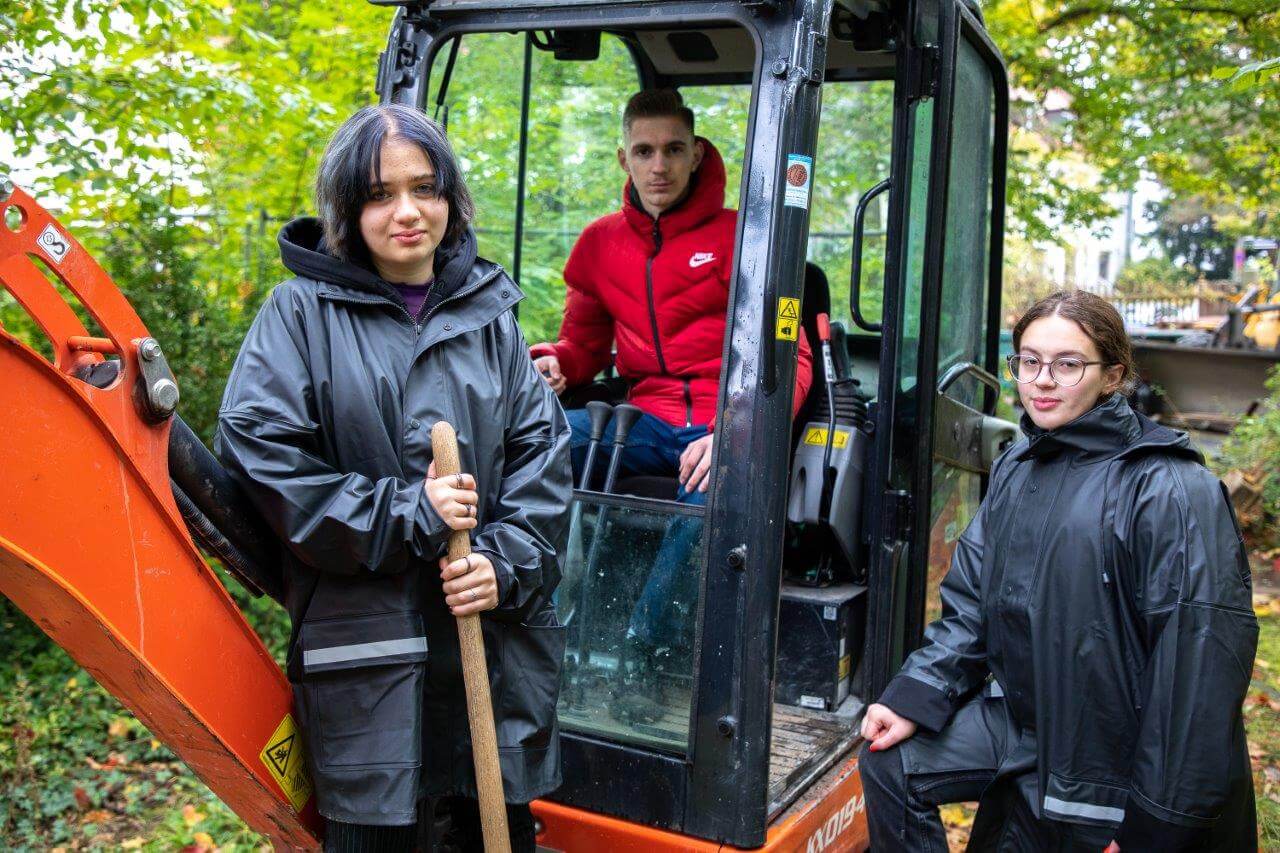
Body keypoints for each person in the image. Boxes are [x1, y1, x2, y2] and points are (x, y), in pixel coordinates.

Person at [216, 104, 572, 852]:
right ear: (348, 208)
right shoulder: (299, 315)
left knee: (493, 830)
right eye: (380, 194)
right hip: (370, 666)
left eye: (426, 188)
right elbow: (261, 452)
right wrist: (409, 511)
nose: (408, 212)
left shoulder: (490, 315)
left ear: (450, 196)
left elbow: (543, 455)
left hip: (492, 663)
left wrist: (501, 564)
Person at [857, 290, 1259, 851]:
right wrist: (916, 696)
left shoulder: (1166, 486)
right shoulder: (1017, 466)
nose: (1042, 380)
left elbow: (1200, 663)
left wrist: (1155, 824)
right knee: (891, 761)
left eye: (1068, 364)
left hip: (1111, 750)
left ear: (1113, 376)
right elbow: (971, 606)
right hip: (1027, 723)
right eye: (1029, 360)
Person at [531, 89, 812, 693]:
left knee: (709, 495)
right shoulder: (600, 244)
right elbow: (581, 345)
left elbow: (795, 359)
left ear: (695, 153)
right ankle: (537, 625)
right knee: (540, 444)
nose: (659, 165)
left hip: (725, 420)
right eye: (644, 150)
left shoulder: (751, 239)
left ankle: (643, 650)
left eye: (673, 150)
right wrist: (557, 364)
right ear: (623, 159)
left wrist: (735, 433)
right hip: (647, 422)